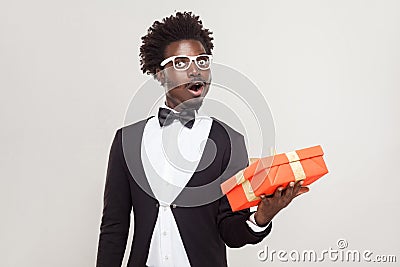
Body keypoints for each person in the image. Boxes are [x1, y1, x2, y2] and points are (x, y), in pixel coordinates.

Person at [96, 11, 309, 267]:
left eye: (202, 61)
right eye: (181, 63)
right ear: (159, 74)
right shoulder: (126, 140)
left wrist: (261, 217)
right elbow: (114, 228)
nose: (195, 70)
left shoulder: (229, 140)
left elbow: (230, 229)